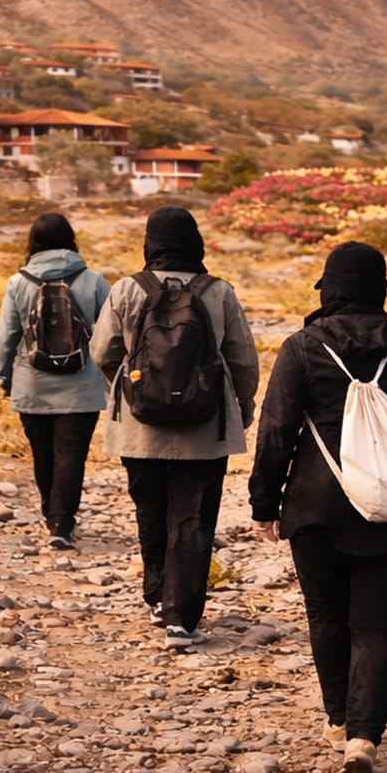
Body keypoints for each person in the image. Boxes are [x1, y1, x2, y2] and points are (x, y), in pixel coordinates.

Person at [249, 243, 387, 773]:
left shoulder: (302, 348)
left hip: (316, 508)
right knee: (381, 626)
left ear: (331, 289)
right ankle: (364, 737)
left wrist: (264, 503)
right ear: (381, 289)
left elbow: (276, 431)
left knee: (327, 617)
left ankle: (340, 720)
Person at [91, 206, 259, 651]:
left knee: (149, 510)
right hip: (206, 429)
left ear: (150, 242)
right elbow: (242, 358)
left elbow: (102, 351)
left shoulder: (127, 289)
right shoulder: (219, 292)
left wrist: (130, 387)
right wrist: (244, 404)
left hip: (139, 427)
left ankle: (156, 597)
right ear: (196, 243)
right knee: (194, 519)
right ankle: (182, 619)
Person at [0, 212, 111, 550]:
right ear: (71, 239)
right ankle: (63, 522)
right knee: (71, 456)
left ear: (34, 242)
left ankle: (50, 515)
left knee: (42, 455)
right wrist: (107, 377)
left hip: (31, 385)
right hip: (82, 387)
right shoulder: (93, 281)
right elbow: (110, 336)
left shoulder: (19, 282)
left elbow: (5, 336)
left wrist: (5, 378)